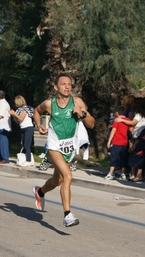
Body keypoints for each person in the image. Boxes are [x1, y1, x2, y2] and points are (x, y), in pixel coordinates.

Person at [32, 73, 95, 227]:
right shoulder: (49, 104)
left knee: (57, 181)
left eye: (69, 84)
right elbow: (36, 111)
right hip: (54, 146)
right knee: (67, 176)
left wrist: (83, 113)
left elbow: (92, 124)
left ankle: (39, 192)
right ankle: (67, 215)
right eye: (63, 84)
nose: (67, 87)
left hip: (69, 148)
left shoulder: (77, 102)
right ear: (56, 87)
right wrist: (39, 124)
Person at [104, 107, 132, 181]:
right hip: (124, 142)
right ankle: (123, 174)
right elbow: (131, 130)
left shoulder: (116, 121)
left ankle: (111, 173)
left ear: (117, 113)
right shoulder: (128, 120)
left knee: (114, 158)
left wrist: (109, 141)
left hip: (116, 141)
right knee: (123, 158)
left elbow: (113, 130)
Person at [9, 95, 34, 167]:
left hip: (28, 127)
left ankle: (28, 160)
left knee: (27, 144)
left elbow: (21, 118)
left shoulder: (25, 109)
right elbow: (17, 121)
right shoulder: (19, 110)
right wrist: (13, 115)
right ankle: (25, 159)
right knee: (23, 144)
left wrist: (14, 114)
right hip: (22, 128)